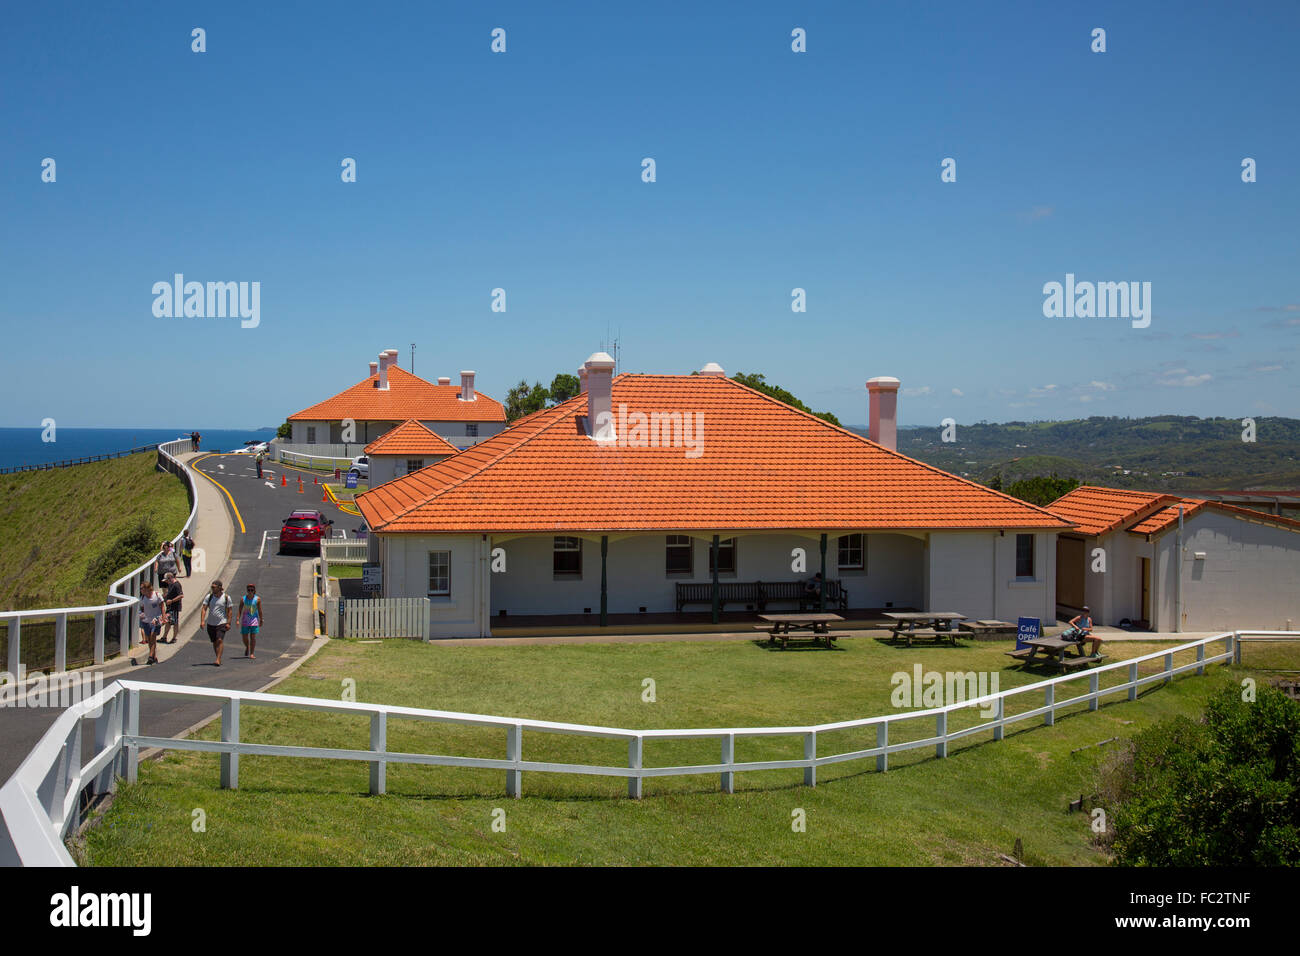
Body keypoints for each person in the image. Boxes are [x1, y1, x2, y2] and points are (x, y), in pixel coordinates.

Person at [201, 579, 234, 666]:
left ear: (219, 588)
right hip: (211, 623)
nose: (212, 588)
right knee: (215, 642)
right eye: (212, 587)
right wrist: (202, 621)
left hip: (222, 622)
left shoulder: (226, 597)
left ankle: (218, 659)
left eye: (214, 587)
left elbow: (230, 611)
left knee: (219, 640)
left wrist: (228, 623)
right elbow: (204, 608)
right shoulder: (209, 597)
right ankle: (218, 656)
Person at [137, 581, 165, 665]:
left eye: (142, 588)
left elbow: (162, 606)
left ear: (147, 588)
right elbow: (141, 609)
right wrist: (141, 615)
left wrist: (163, 617)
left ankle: (150, 656)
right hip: (146, 620)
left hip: (156, 619)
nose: (141, 590)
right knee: (150, 640)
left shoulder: (156, 595)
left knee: (153, 636)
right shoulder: (142, 598)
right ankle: (154, 656)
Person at [238, 583, 264, 659]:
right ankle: (247, 646)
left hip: (254, 620)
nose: (250, 591)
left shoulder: (257, 599)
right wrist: (237, 619)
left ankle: (252, 653)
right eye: (249, 590)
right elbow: (240, 610)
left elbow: (260, 610)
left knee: (253, 637)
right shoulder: (243, 599)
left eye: (252, 590)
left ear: (254, 590)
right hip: (245, 620)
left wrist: (261, 619)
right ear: (247, 590)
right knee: (244, 637)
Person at [160, 572, 183, 644]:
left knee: (175, 622)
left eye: (166, 580)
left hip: (174, 607)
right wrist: (164, 596)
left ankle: (174, 637)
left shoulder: (177, 585)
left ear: (170, 578)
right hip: (169, 607)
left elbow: (181, 595)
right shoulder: (170, 584)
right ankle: (164, 637)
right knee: (168, 622)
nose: (166, 582)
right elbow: (169, 593)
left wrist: (172, 601)